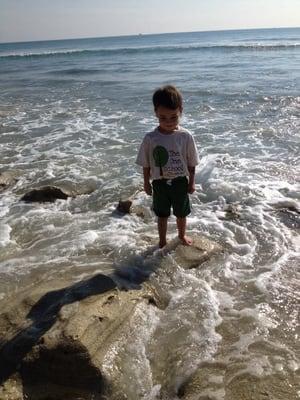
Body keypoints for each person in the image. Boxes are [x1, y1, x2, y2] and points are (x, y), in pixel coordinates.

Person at [136, 85, 199, 248]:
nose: (169, 122)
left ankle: (181, 235)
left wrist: (192, 182)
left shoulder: (185, 136)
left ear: (181, 111)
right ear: (155, 112)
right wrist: (145, 183)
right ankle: (162, 240)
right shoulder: (151, 138)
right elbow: (146, 163)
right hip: (159, 183)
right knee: (162, 215)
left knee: (181, 213)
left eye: (173, 117)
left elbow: (192, 162)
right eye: (163, 118)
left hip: (180, 182)